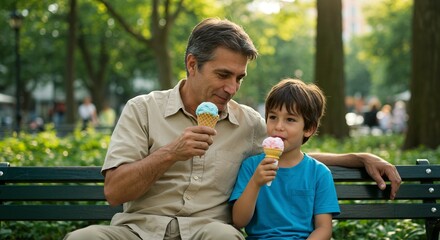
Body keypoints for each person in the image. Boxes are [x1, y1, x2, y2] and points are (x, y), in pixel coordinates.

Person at [64, 18, 401, 240]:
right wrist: (172, 152)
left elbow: (288, 153)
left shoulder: (248, 122)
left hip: (207, 231)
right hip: (138, 229)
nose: (232, 88)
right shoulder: (143, 109)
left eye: (239, 78)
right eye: (223, 75)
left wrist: (358, 158)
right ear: (192, 65)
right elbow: (114, 191)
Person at [230, 79, 339, 239]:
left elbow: (323, 228)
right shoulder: (252, 166)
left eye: (290, 119)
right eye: (273, 117)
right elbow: (239, 221)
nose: (278, 126)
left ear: (309, 129)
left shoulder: (319, 173)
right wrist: (255, 183)